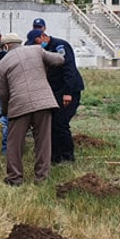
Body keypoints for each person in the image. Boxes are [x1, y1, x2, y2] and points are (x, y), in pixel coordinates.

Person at [0, 33, 64, 186]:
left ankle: (15, 178)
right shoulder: (37, 50)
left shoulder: (2, 64)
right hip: (44, 102)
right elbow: (59, 60)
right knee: (43, 142)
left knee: (14, 144)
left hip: (19, 105)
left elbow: (3, 92)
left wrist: (6, 111)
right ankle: (41, 178)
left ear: (6, 46)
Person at [26, 29, 85, 163]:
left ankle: (67, 156)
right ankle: (55, 156)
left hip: (68, 91)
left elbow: (69, 69)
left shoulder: (60, 46)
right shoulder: (42, 51)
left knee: (61, 124)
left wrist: (68, 93)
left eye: (37, 42)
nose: (36, 46)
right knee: (52, 124)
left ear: (43, 36)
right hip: (55, 92)